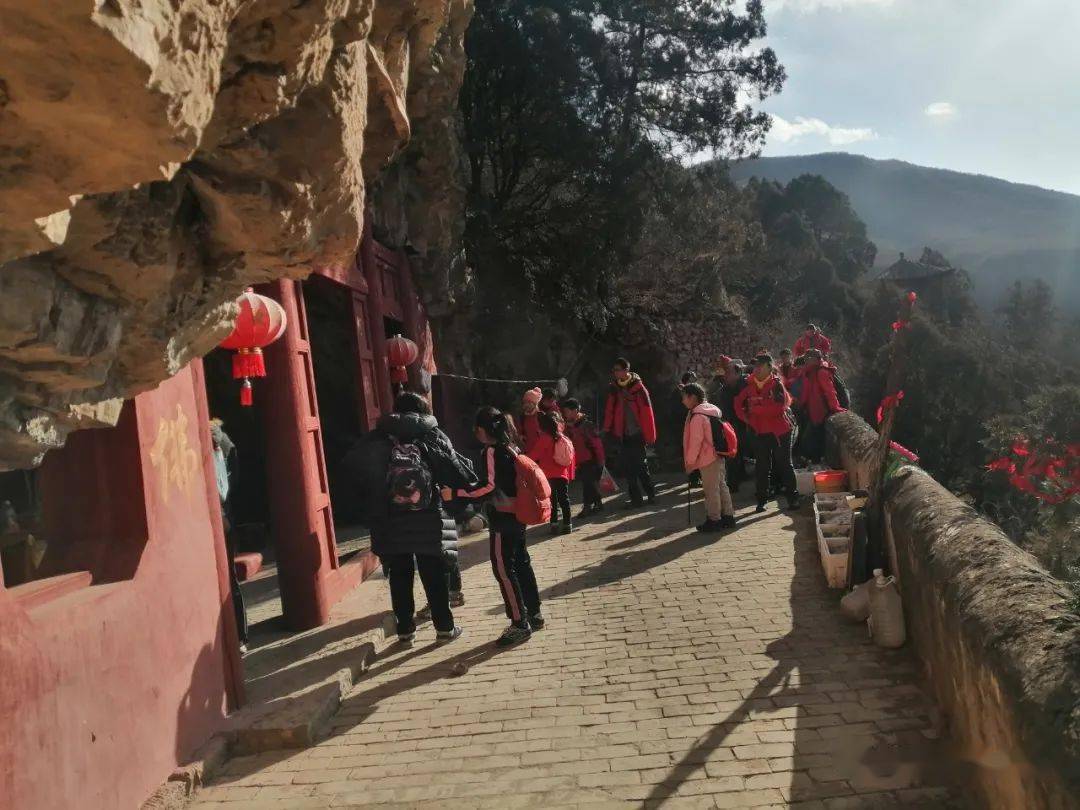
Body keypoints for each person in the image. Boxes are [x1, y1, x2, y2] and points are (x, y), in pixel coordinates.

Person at [345, 392, 476, 645]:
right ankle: (445, 628)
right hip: (428, 517)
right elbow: (456, 471)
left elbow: (352, 472)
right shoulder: (433, 435)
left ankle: (405, 630)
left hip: (389, 520)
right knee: (433, 573)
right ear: (423, 411)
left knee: (400, 574)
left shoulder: (377, 439)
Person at [457, 407, 543, 647]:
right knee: (521, 563)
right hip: (518, 514)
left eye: (477, 429)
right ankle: (534, 613)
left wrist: (458, 492)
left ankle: (519, 623)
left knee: (504, 570)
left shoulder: (492, 452)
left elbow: (489, 486)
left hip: (503, 518)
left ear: (484, 430)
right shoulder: (512, 447)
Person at [734, 354, 800, 513]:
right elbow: (737, 404)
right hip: (759, 431)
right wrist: (748, 419)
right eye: (755, 367)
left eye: (760, 367)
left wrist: (755, 409)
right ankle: (761, 500)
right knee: (762, 467)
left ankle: (792, 498)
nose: (756, 370)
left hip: (780, 432)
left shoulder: (777, 385)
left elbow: (779, 408)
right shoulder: (748, 385)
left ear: (769, 368)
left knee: (784, 464)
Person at [210, 419, 248, 651]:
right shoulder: (222, 441)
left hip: (222, 516)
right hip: (221, 515)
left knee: (228, 579)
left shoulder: (218, 441)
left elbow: (225, 486)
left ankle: (239, 636)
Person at [680, 383, 736, 533]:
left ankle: (714, 519)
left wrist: (690, 462)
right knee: (721, 486)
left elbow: (695, 442)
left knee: (711, 490)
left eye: (684, 397)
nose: (683, 401)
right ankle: (728, 517)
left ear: (693, 397)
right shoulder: (712, 411)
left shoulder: (697, 416)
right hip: (719, 454)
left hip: (707, 458)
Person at [603, 357, 657, 507]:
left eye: (618, 370)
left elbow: (647, 412)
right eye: (614, 370)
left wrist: (650, 435)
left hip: (637, 434)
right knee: (628, 469)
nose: (615, 373)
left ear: (626, 370)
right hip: (622, 435)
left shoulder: (639, 389)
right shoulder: (614, 389)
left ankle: (651, 494)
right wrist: (607, 429)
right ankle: (636, 499)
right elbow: (610, 410)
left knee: (641, 467)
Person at [531, 411, 575, 535]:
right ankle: (568, 524)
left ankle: (554, 524)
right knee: (564, 499)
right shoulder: (561, 437)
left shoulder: (544, 439)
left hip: (548, 476)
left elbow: (533, 455)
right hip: (562, 474)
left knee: (552, 501)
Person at [799, 348, 845, 463]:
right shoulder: (810, 372)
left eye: (808, 358)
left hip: (821, 411)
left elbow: (830, 392)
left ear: (815, 359)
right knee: (812, 437)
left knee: (814, 437)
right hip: (813, 409)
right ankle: (815, 460)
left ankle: (817, 461)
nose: (806, 361)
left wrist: (835, 408)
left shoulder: (821, 372)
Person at [562, 398, 606, 518]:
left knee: (588, 483)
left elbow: (597, 444)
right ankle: (598, 503)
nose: (565, 414)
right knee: (590, 483)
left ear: (575, 411)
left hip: (590, 459)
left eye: (567, 411)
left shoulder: (587, 425)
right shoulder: (567, 426)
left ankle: (587, 506)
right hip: (579, 460)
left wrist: (600, 461)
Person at [716, 358, 749, 492]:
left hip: (749, 424)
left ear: (738, 372)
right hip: (732, 425)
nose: (726, 375)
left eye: (729, 372)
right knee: (733, 454)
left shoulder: (747, 386)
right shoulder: (724, 390)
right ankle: (734, 482)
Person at [516, 387, 543, 454]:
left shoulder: (542, 417)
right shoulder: (522, 418)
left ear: (535, 404)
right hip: (527, 454)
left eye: (529, 402)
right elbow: (518, 434)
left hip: (541, 454)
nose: (526, 405)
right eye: (524, 402)